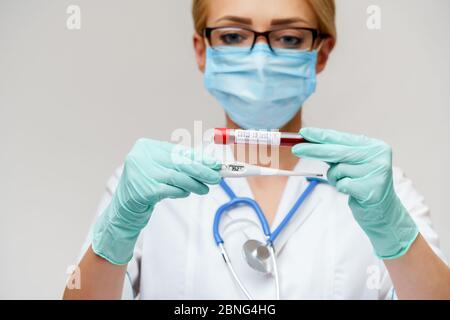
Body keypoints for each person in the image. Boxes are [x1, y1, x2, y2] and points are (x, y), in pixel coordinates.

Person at [63, 0, 450, 300]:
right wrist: (116, 233)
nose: (261, 59)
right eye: (233, 36)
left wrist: (396, 234)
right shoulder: (144, 191)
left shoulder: (381, 192)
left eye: (289, 38)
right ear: (203, 50)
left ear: (322, 52)